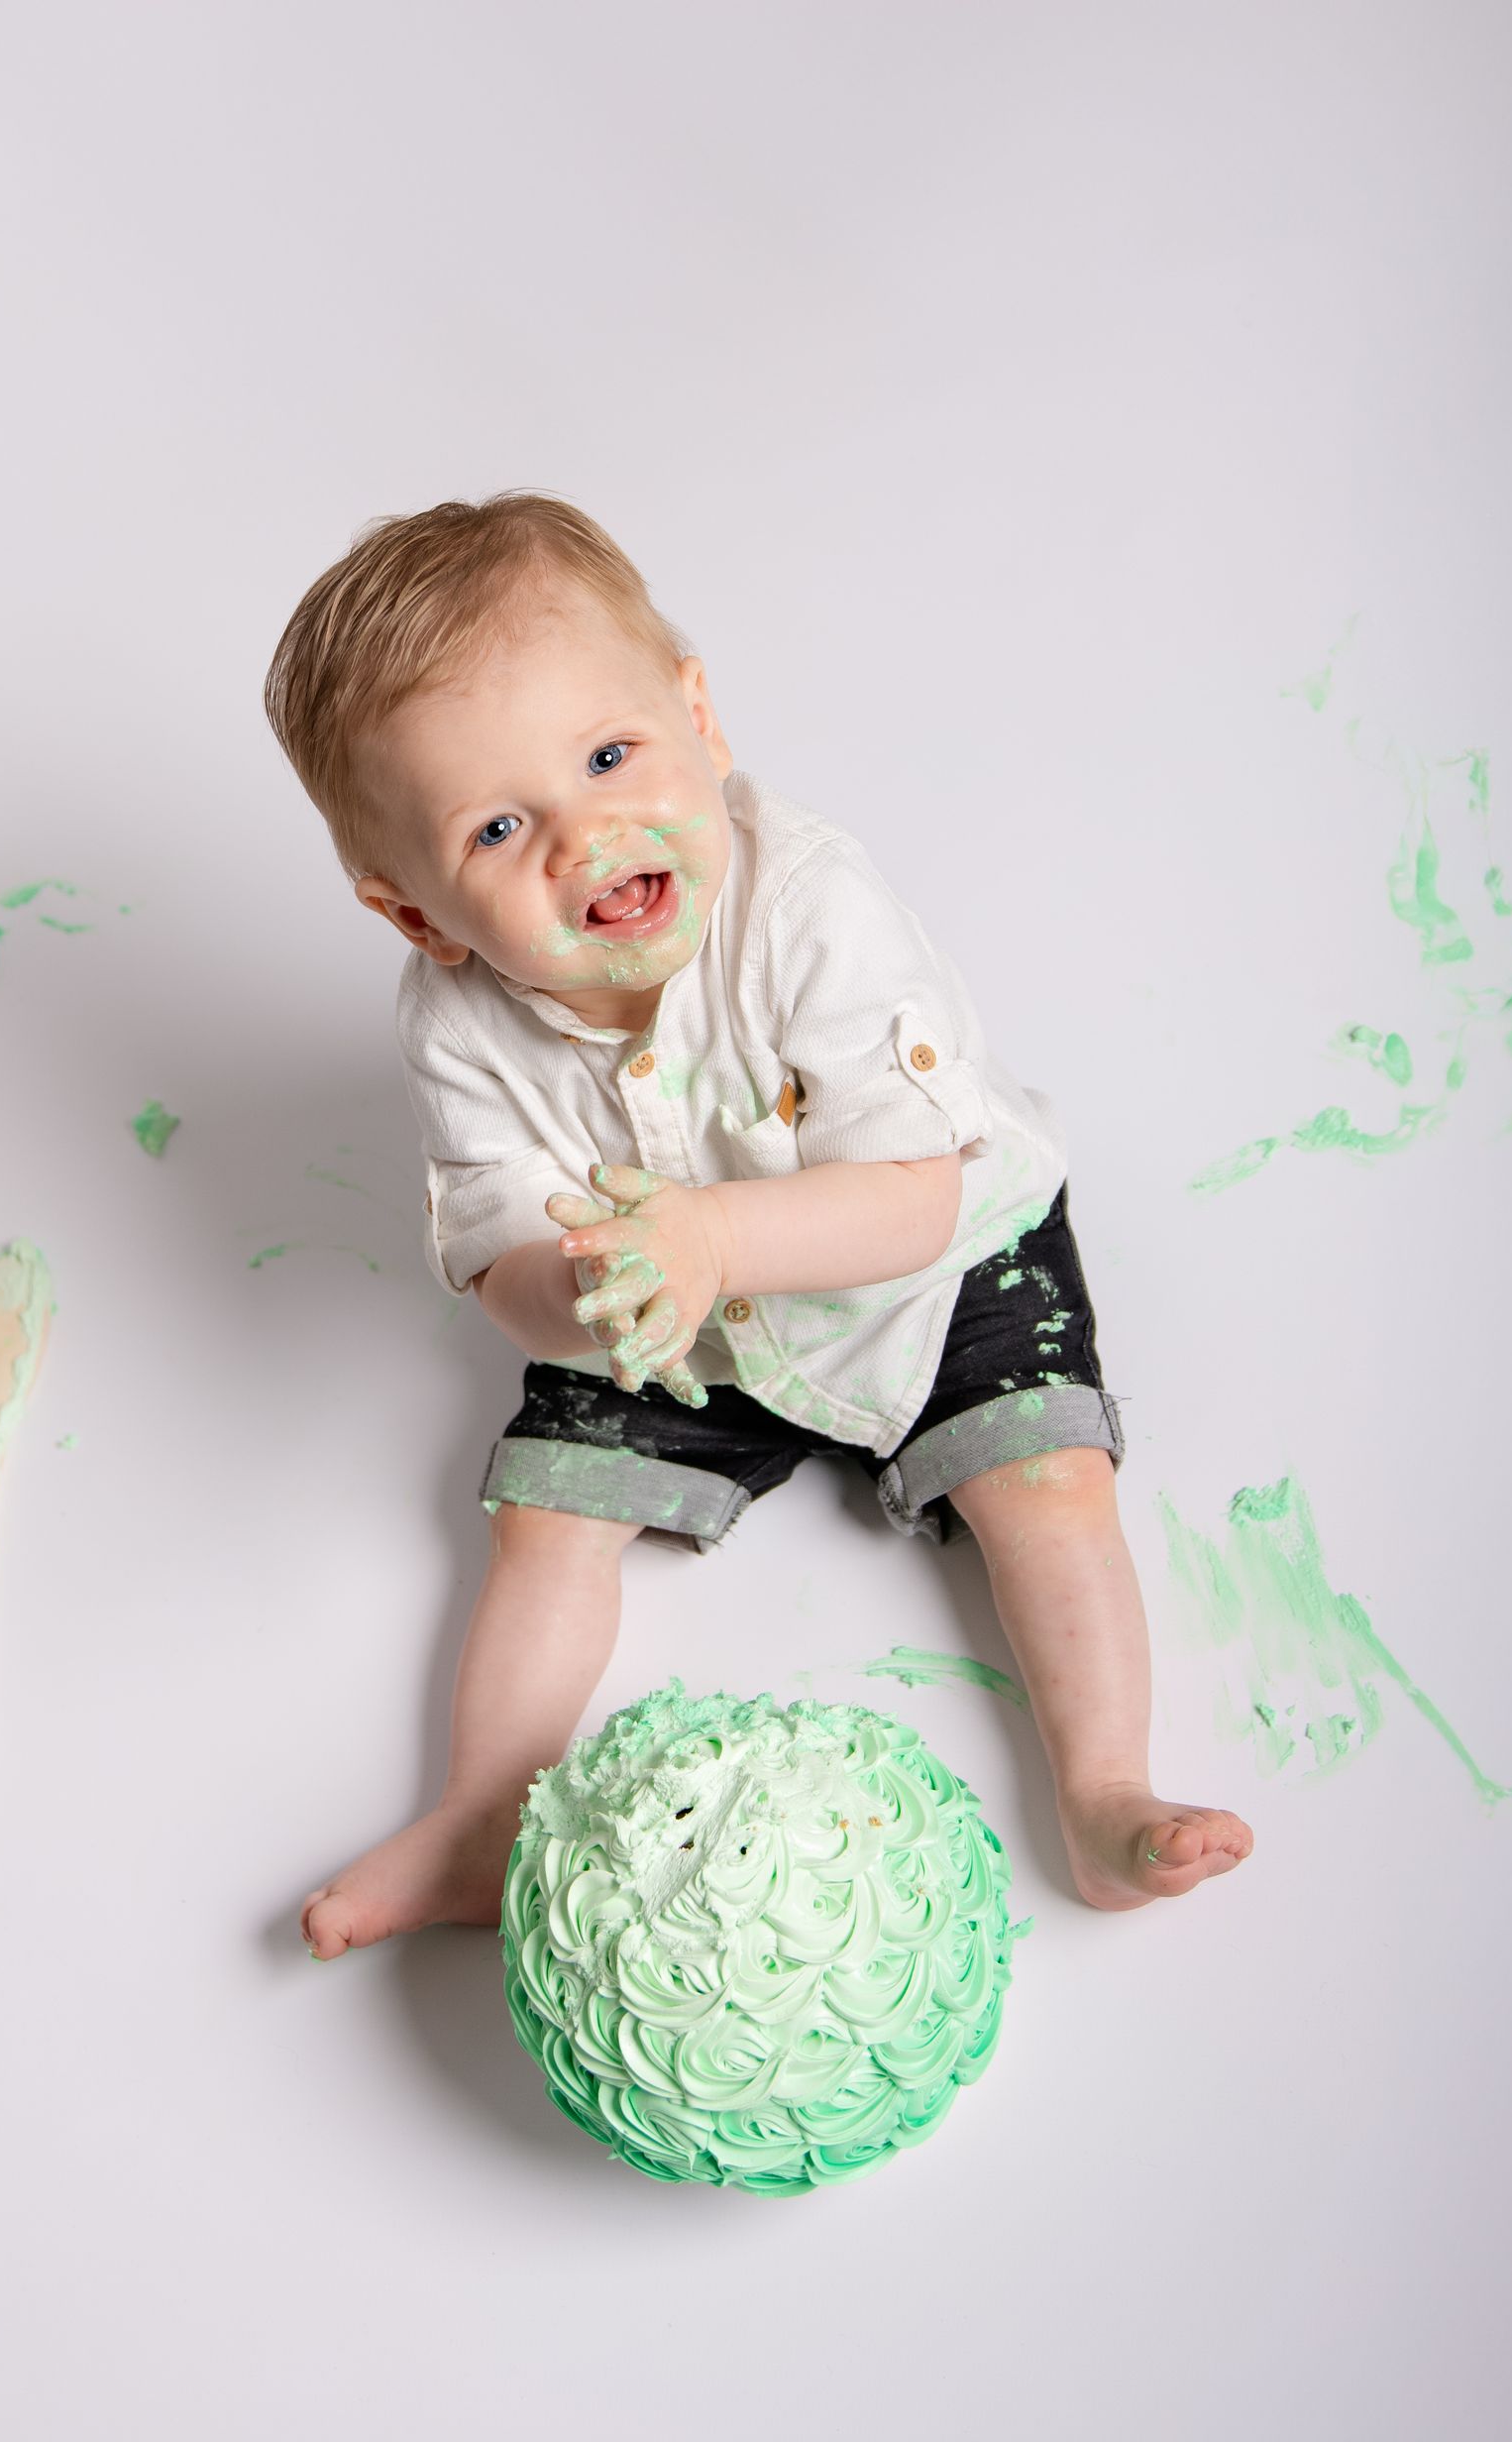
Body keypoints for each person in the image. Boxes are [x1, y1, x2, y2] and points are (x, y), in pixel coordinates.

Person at [262, 493, 1252, 1957]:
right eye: (497, 826)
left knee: (1045, 1483)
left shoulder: (812, 905)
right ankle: (481, 1818)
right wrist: (585, 1293)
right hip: (668, 1306)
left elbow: (914, 1198)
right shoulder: (456, 1022)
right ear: (417, 916)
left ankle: (1106, 1794)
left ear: (700, 715)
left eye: (610, 756)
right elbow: (498, 1260)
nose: (586, 835)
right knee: (545, 1525)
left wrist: (713, 1244)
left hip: (937, 1254)